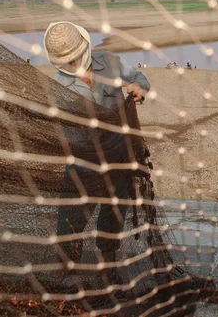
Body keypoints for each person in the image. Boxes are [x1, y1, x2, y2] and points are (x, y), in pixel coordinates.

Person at [43, 21, 150, 268]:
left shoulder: (110, 62)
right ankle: (66, 265)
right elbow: (62, 132)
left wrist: (138, 88)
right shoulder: (58, 88)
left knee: (114, 211)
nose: (74, 63)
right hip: (84, 161)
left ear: (85, 48)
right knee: (71, 216)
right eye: (67, 60)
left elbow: (138, 77)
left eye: (76, 56)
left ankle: (108, 260)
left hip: (119, 155)